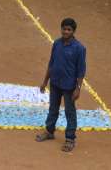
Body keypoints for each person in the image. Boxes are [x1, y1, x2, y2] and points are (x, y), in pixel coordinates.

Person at [36, 18, 86, 153]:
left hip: (69, 86)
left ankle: (70, 139)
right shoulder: (57, 44)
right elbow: (51, 63)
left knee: (70, 112)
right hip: (55, 83)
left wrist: (78, 88)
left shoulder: (79, 49)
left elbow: (81, 71)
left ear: (73, 31)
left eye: (69, 29)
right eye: (64, 29)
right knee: (53, 108)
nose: (66, 31)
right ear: (61, 29)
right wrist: (45, 81)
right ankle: (49, 131)